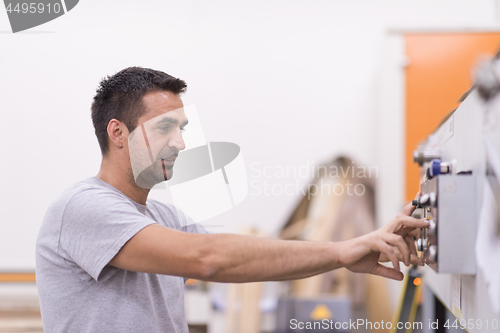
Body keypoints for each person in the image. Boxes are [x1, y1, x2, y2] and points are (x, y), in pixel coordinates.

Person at [35, 67, 428, 333]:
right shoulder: (83, 206)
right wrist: (342, 251)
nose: (181, 142)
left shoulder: (162, 216)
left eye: (183, 128)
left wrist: (346, 251)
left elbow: (247, 260)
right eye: (165, 128)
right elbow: (210, 258)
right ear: (118, 133)